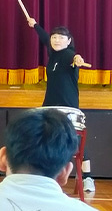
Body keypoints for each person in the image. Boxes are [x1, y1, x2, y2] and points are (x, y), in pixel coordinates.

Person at [26, 18, 93, 191]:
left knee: (76, 141)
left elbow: (76, 58)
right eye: (54, 37)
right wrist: (34, 25)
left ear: (69, 41)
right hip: (49, 104)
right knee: (41, 137)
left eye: (61, 37)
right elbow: (43, 37)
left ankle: (87, 178)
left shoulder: (69, 55)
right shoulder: (53, 53)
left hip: (68, 105)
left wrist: (78, 59)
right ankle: (42, 175)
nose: (56, 40)